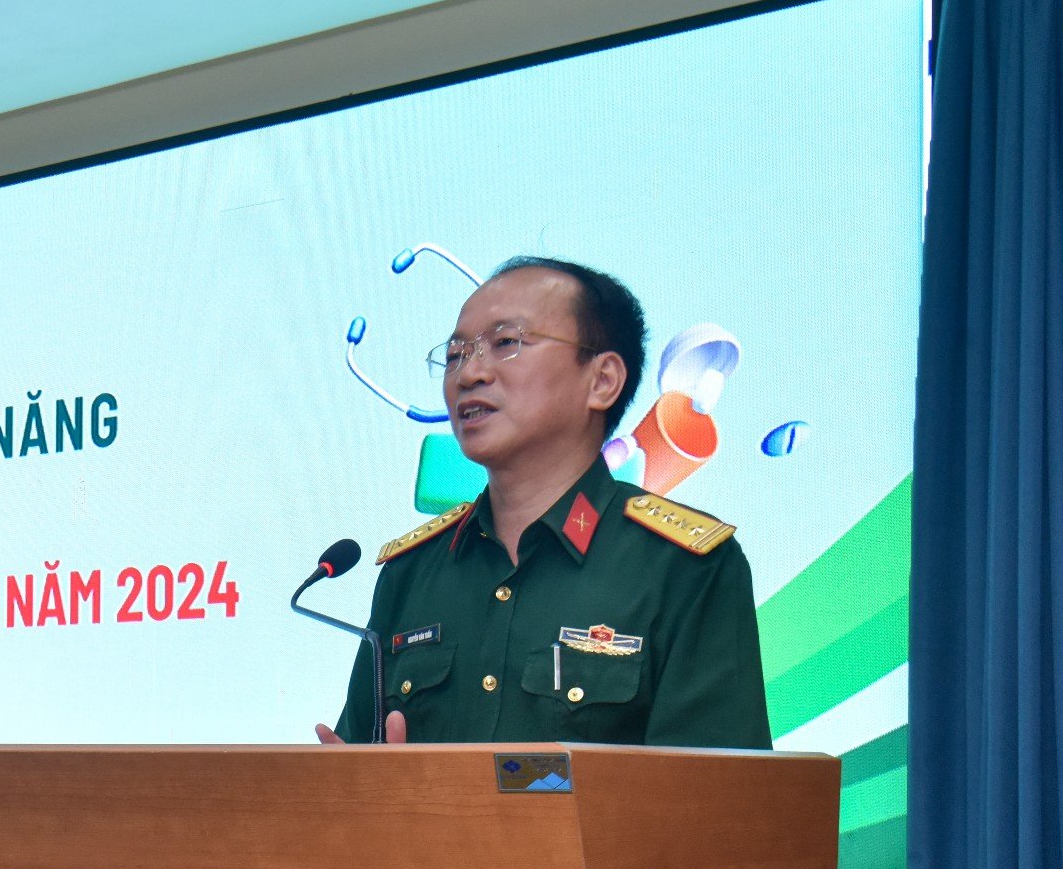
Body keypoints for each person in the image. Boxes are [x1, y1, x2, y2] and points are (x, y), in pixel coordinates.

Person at [317, 257, 771, 749]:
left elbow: (716, 790)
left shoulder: (684, 568)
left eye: (506, 343)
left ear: (602, 381)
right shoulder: (411, 573)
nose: (469, 373)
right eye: (455, 355)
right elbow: (356, 767)